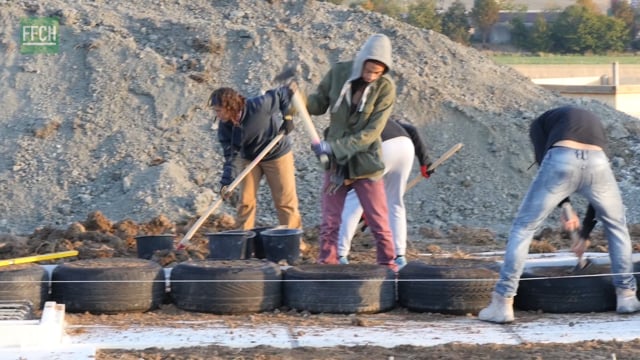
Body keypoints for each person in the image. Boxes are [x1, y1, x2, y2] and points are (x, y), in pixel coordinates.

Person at [478, 105, 640, 324]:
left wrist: (565, 207)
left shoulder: (538, 124)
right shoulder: (595, 124)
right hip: (598, 161)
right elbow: (597, 203)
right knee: (616, 226)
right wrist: (582, 231)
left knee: (524, 227)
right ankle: (627, 296)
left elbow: (545, 160)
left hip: (561, 157)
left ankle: (503, 302)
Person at [304, 33, 398, 271]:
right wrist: (298, 100)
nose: (371, 76)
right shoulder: (339, 73)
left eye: (377, 73)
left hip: (365, 164)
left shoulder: (385, 89)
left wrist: (333, 147)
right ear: (361, 62)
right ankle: (327, 265)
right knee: (330, 221)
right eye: (368, 70)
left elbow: (371, 132)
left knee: (378, 221)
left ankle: (388, 267)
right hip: (335, 164)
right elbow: (318, 104)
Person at [337, 117, 433, 268]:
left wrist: (364, 205)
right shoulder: (385, 117)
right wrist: (425, 161)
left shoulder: (346, 125)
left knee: (353, 199)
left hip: (382, 147)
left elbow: (349, 174)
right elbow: (412, 130)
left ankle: (339, 254)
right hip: (405, 146)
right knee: (395, 202)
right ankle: (399, 256)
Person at [207, 86, 302, 232]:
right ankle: (243, 241)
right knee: (245, 201)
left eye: (218, 110)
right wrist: (227, 182)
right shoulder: (225, 128)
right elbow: (231, 157)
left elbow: (283, 93)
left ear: (229, 106)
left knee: (285, 201)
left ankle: (293, 239)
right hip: (249, 159)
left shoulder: (259, 106)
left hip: (276, 153)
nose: (216, 114)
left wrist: (287, 118)